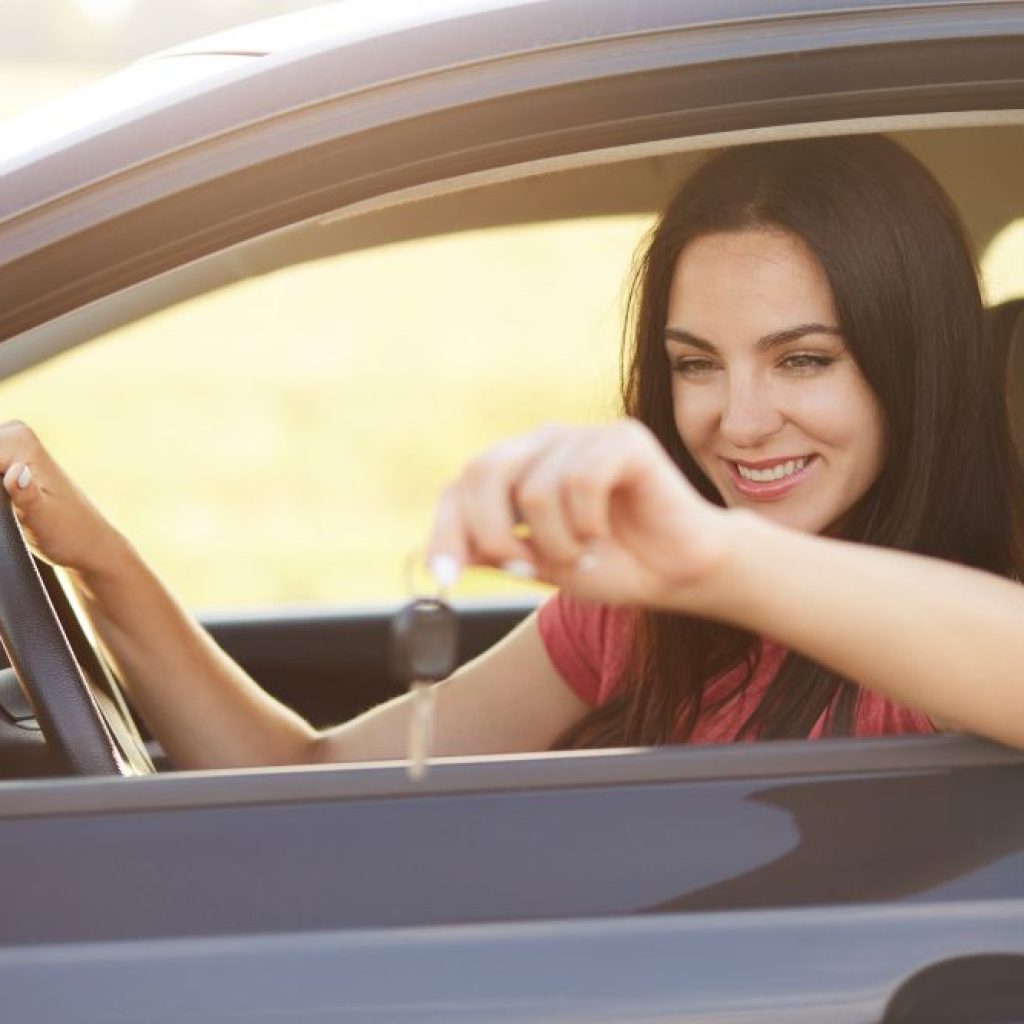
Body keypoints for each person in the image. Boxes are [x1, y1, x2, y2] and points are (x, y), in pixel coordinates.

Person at [1, 134, 1023, 769]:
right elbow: (312, 772)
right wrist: (97, 559)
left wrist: (719, 560)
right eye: (696, 365)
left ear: (910, 365)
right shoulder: (647, 614)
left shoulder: (938, 643)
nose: (739, 422)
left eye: (803, 361)